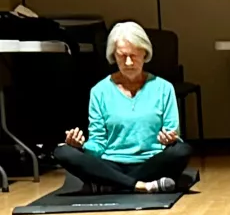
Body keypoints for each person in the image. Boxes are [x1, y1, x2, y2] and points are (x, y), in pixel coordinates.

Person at [53, 21, 192, 193]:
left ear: (144, 53)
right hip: (111, 164)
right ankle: (139, 186)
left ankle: (110, 185)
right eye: (122, 56)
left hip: (151, 162)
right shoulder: (100, 91)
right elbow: (98, 143)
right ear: (114, 56)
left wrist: (170, 140)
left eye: (133, 55)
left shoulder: (164, 88)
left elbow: (173, 137)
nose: (128, 62)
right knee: (63, 152)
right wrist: (80, 146)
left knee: (181, 150)